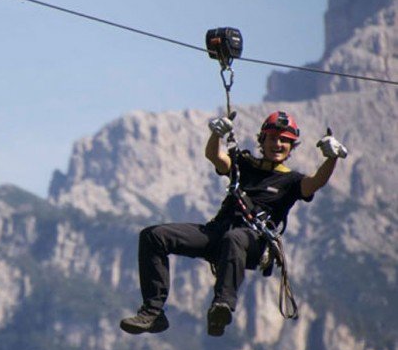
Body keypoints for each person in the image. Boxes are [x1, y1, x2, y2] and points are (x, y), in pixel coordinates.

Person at [119, 111, 348, 337]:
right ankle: (153, 312)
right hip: (217, 232)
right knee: (153, 236)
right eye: (272, 139)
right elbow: (215, 157)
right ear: (263, 140)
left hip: (253, 241)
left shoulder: (291, 181)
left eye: (284, 141)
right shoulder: (243, 164)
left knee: (235, 238)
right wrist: (216, 135)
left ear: (291, 146)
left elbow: (316, 182)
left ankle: (223, 305)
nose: (277, 144)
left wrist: (332, 158)